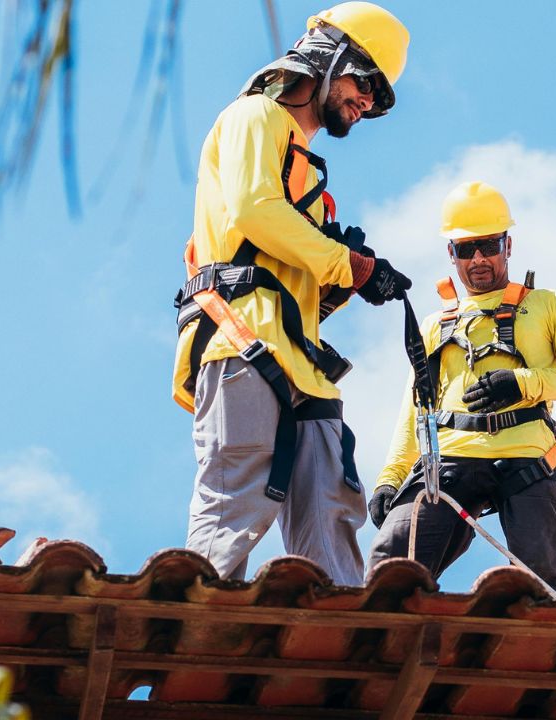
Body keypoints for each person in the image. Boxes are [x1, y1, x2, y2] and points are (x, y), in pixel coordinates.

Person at [171, 2, 413, 585]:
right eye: (365, 84)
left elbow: (296, 278)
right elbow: (254, 211)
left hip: (301, 360)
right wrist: (344, 262)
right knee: (236, 499)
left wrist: (348, 279)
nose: (367, 103)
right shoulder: (254, 115)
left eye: (378, 99)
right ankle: (194, 619)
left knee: (331, 508)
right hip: (241, 338)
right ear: (329, 59)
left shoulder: (309, 183)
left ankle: (339, 634)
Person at [365, 181, 556, 598]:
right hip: (450, 458)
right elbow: (416, 410)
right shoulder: (436, 325)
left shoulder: (547, 306)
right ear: (452, 254)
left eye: (488, 245)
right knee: (391, 563)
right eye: (466, 248)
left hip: (528, 459)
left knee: (539, 584)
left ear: (507, 245)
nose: (478, 258)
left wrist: (523, 383)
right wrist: (391, 478)